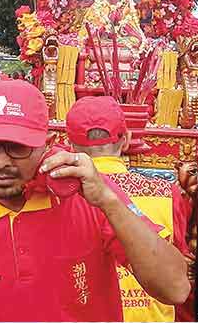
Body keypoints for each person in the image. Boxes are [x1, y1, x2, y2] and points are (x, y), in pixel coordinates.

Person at [0, 80, 189, 321]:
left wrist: (109, 200)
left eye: (17, 148)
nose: (1, 162)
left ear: (47, 144)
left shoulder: (88, 200)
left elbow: (175, 288)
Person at [67, 96, 179, 322]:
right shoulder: (166, 192)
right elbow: (180, 263)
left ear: (69, 145)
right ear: (126, 140)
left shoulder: (62, 195)